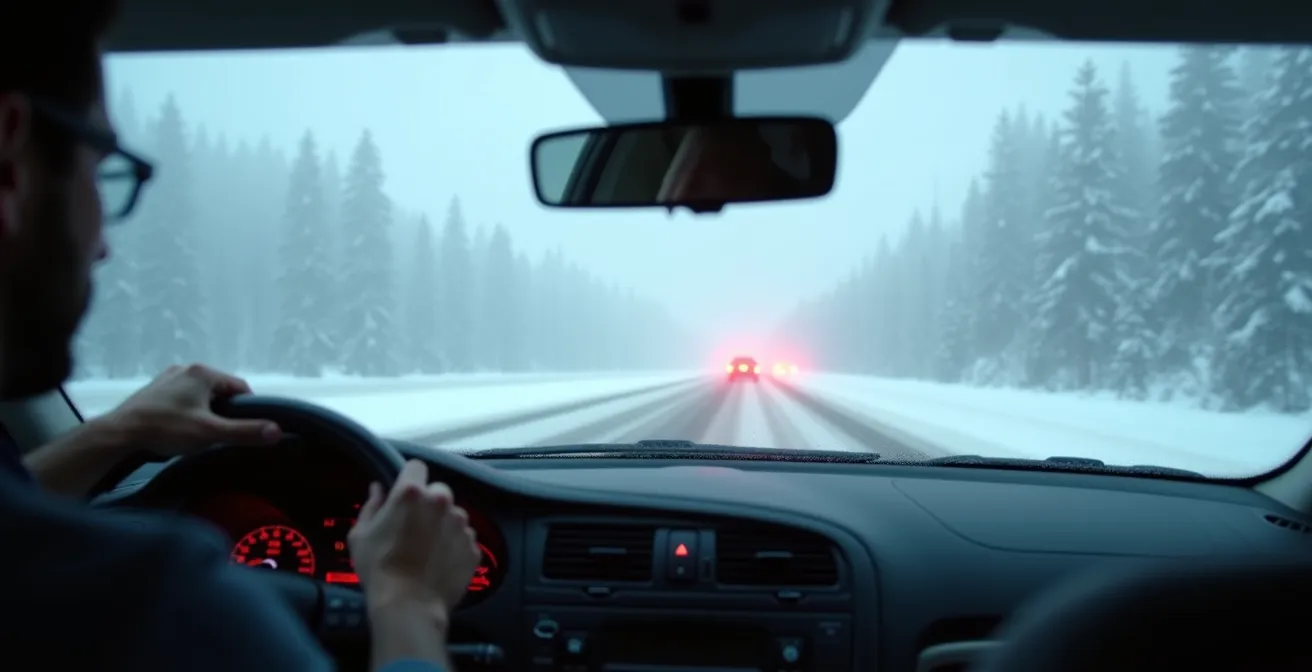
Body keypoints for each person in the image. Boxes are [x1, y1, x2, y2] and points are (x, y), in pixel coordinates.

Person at [0, 3, 480, 670]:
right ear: (11, 160)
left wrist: (117, 432)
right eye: (102, 169)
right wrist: (407, 601)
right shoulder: (162, 607)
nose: (104, 245)